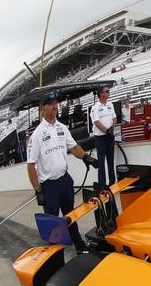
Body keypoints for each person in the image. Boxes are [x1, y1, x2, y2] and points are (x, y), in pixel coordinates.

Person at [27, 90, 99, 254]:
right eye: (51, 104)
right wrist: (38, 190)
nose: (55, 106)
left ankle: (79, 246)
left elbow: (73, 147)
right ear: (43, 108)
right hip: (49, 187)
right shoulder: (36, 135)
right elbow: (31, 166)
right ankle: (55, 254)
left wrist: (87, 158)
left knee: (70, 216)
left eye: (56, 103)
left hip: (65, 181)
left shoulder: (62, 128)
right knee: (53, 224)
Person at [89, 85, 117, 186]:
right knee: (101, 163)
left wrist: (112, 128)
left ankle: (112, 183)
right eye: (106, 91)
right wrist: (106, 131)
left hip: (110, 136)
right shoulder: (95, 108)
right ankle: (102, 185)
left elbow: (114, 118)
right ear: (101, 94)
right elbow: (96, 122)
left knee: (111, 161)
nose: (108, 93)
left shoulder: (110, 104)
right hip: (100, 138)